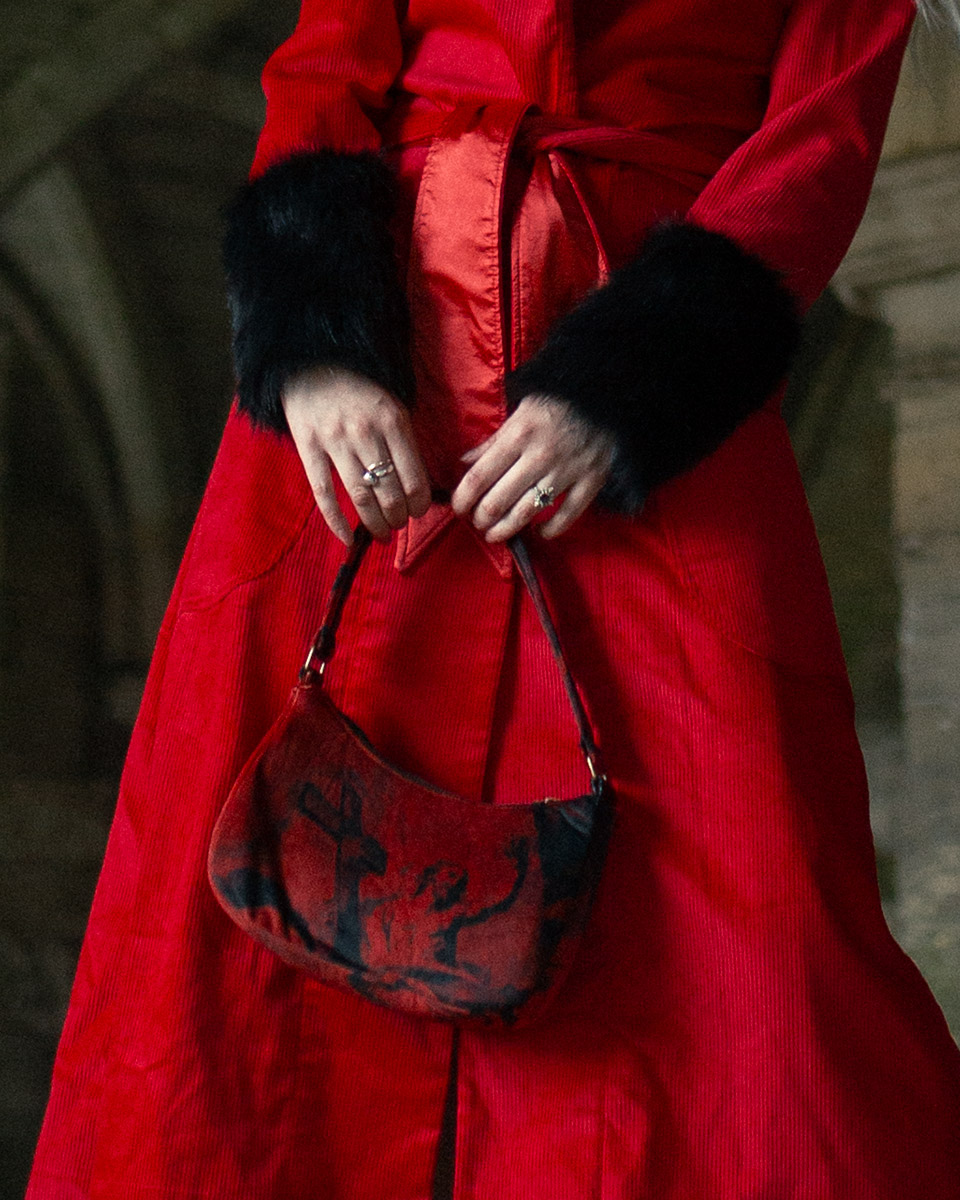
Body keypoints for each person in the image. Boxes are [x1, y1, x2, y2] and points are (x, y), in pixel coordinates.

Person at [27, 1, 960, 1197]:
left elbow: (820, 137)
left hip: (655, 430)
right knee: (232, 937)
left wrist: (636, 379)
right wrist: (314, 350)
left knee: (750, 922)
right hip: (369, 393)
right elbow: (324, 73)